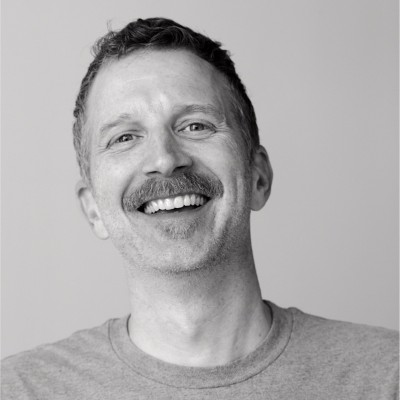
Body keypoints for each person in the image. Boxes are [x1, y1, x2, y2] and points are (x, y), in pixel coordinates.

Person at [2, 17, 398, 399]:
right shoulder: (19, 390)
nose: (165, 159)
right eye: (124, 137)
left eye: (196, 126)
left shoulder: (387, 377)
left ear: (258, 178)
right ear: (93, 210)